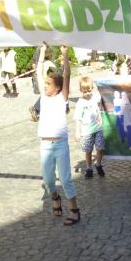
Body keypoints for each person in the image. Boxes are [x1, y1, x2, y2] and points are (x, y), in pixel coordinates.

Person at [35, 42, 80, 225]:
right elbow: (38, 73)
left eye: (48, 84)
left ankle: (74, 210)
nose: (45, 85)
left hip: (60, 144)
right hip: (45, 145)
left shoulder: (62, 98)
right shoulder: (43, 98)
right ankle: (55, 198)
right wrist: (42, 52)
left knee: (65, 179)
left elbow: (67, 74)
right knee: (48, 181)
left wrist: (65, 54)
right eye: (45, 83)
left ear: (58, 87)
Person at [74, 76, 105, 178]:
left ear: (92, 88)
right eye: (85, 91)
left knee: (100, 148)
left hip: (97, 128)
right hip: (87, 131)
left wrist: (100, 117)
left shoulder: (94, 97)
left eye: (89, 90)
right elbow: (78, 118)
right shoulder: (80, 103)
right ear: (80, 90)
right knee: (88, 151)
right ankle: (89, 168)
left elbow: (97, 106)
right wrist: (77, 131)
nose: (87, 93)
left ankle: (98, 164)